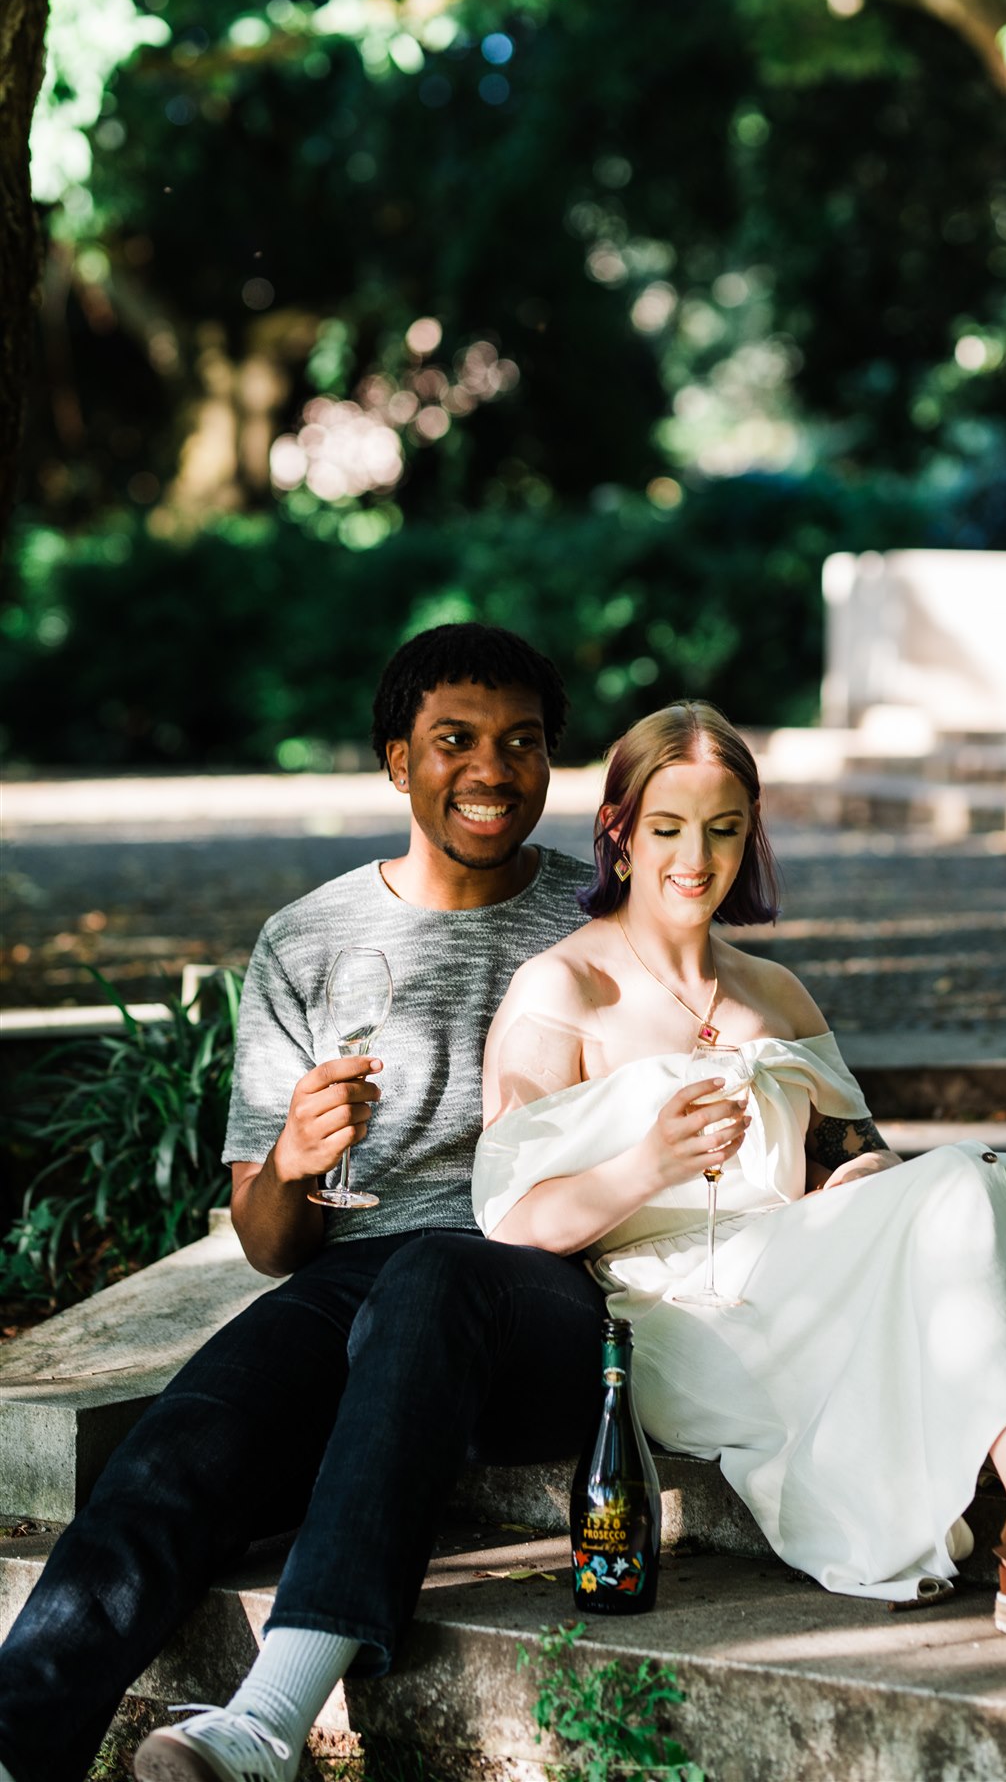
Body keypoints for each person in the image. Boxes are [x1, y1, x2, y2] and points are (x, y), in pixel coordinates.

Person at [475, 700, 1006, 1666]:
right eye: (669, 828)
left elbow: (859, 1158)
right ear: (619, 834)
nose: (697, 858)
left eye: (724, 831)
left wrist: (864, 1184)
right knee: (968, 1185)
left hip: (800, 1264)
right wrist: (649, 1162)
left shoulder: (773, 993)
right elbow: (509, 1225)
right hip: (676, 1311)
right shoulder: (563, 990)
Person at [0, 624, 604, 1782]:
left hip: (543, 1284)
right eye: (454, 740)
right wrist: (287, 1159)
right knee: (182, 1443)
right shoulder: (309, 937)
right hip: (353, 1278)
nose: (492, 768)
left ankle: (267, 1719)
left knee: (434, 1273)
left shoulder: (598, 919)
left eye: (522, 742)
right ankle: (17, 1737)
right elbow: (273, 1245)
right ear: (396, 761)